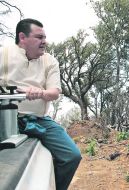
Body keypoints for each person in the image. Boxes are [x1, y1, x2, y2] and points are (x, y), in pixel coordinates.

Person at [0, 18, 82, 190]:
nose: (44, 41)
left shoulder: (50, 61)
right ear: (22, 37)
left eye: (44, 37)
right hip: (4, 118)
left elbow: (54, 93)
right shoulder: (4, 54)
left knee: (72, 155)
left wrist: (39, 92)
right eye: (39, 37)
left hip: (37, 119)